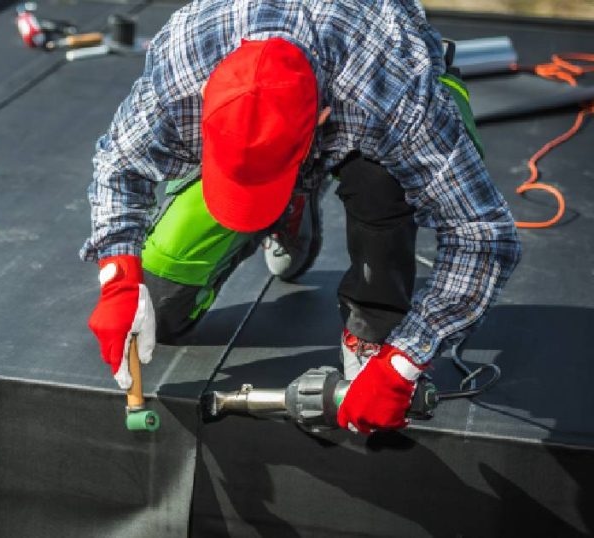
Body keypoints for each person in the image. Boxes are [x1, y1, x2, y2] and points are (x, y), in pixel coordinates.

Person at [82, 0, 521, 434]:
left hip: (370, 101)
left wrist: (404, 362)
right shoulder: (183, 65)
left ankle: (373, 318)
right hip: (293, 120)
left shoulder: (393, 92)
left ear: (322, 120)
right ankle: (290, 201)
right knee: (163, 310)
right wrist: (119, 277)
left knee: (380, 183)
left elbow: (482, 232)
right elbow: (118, 165)